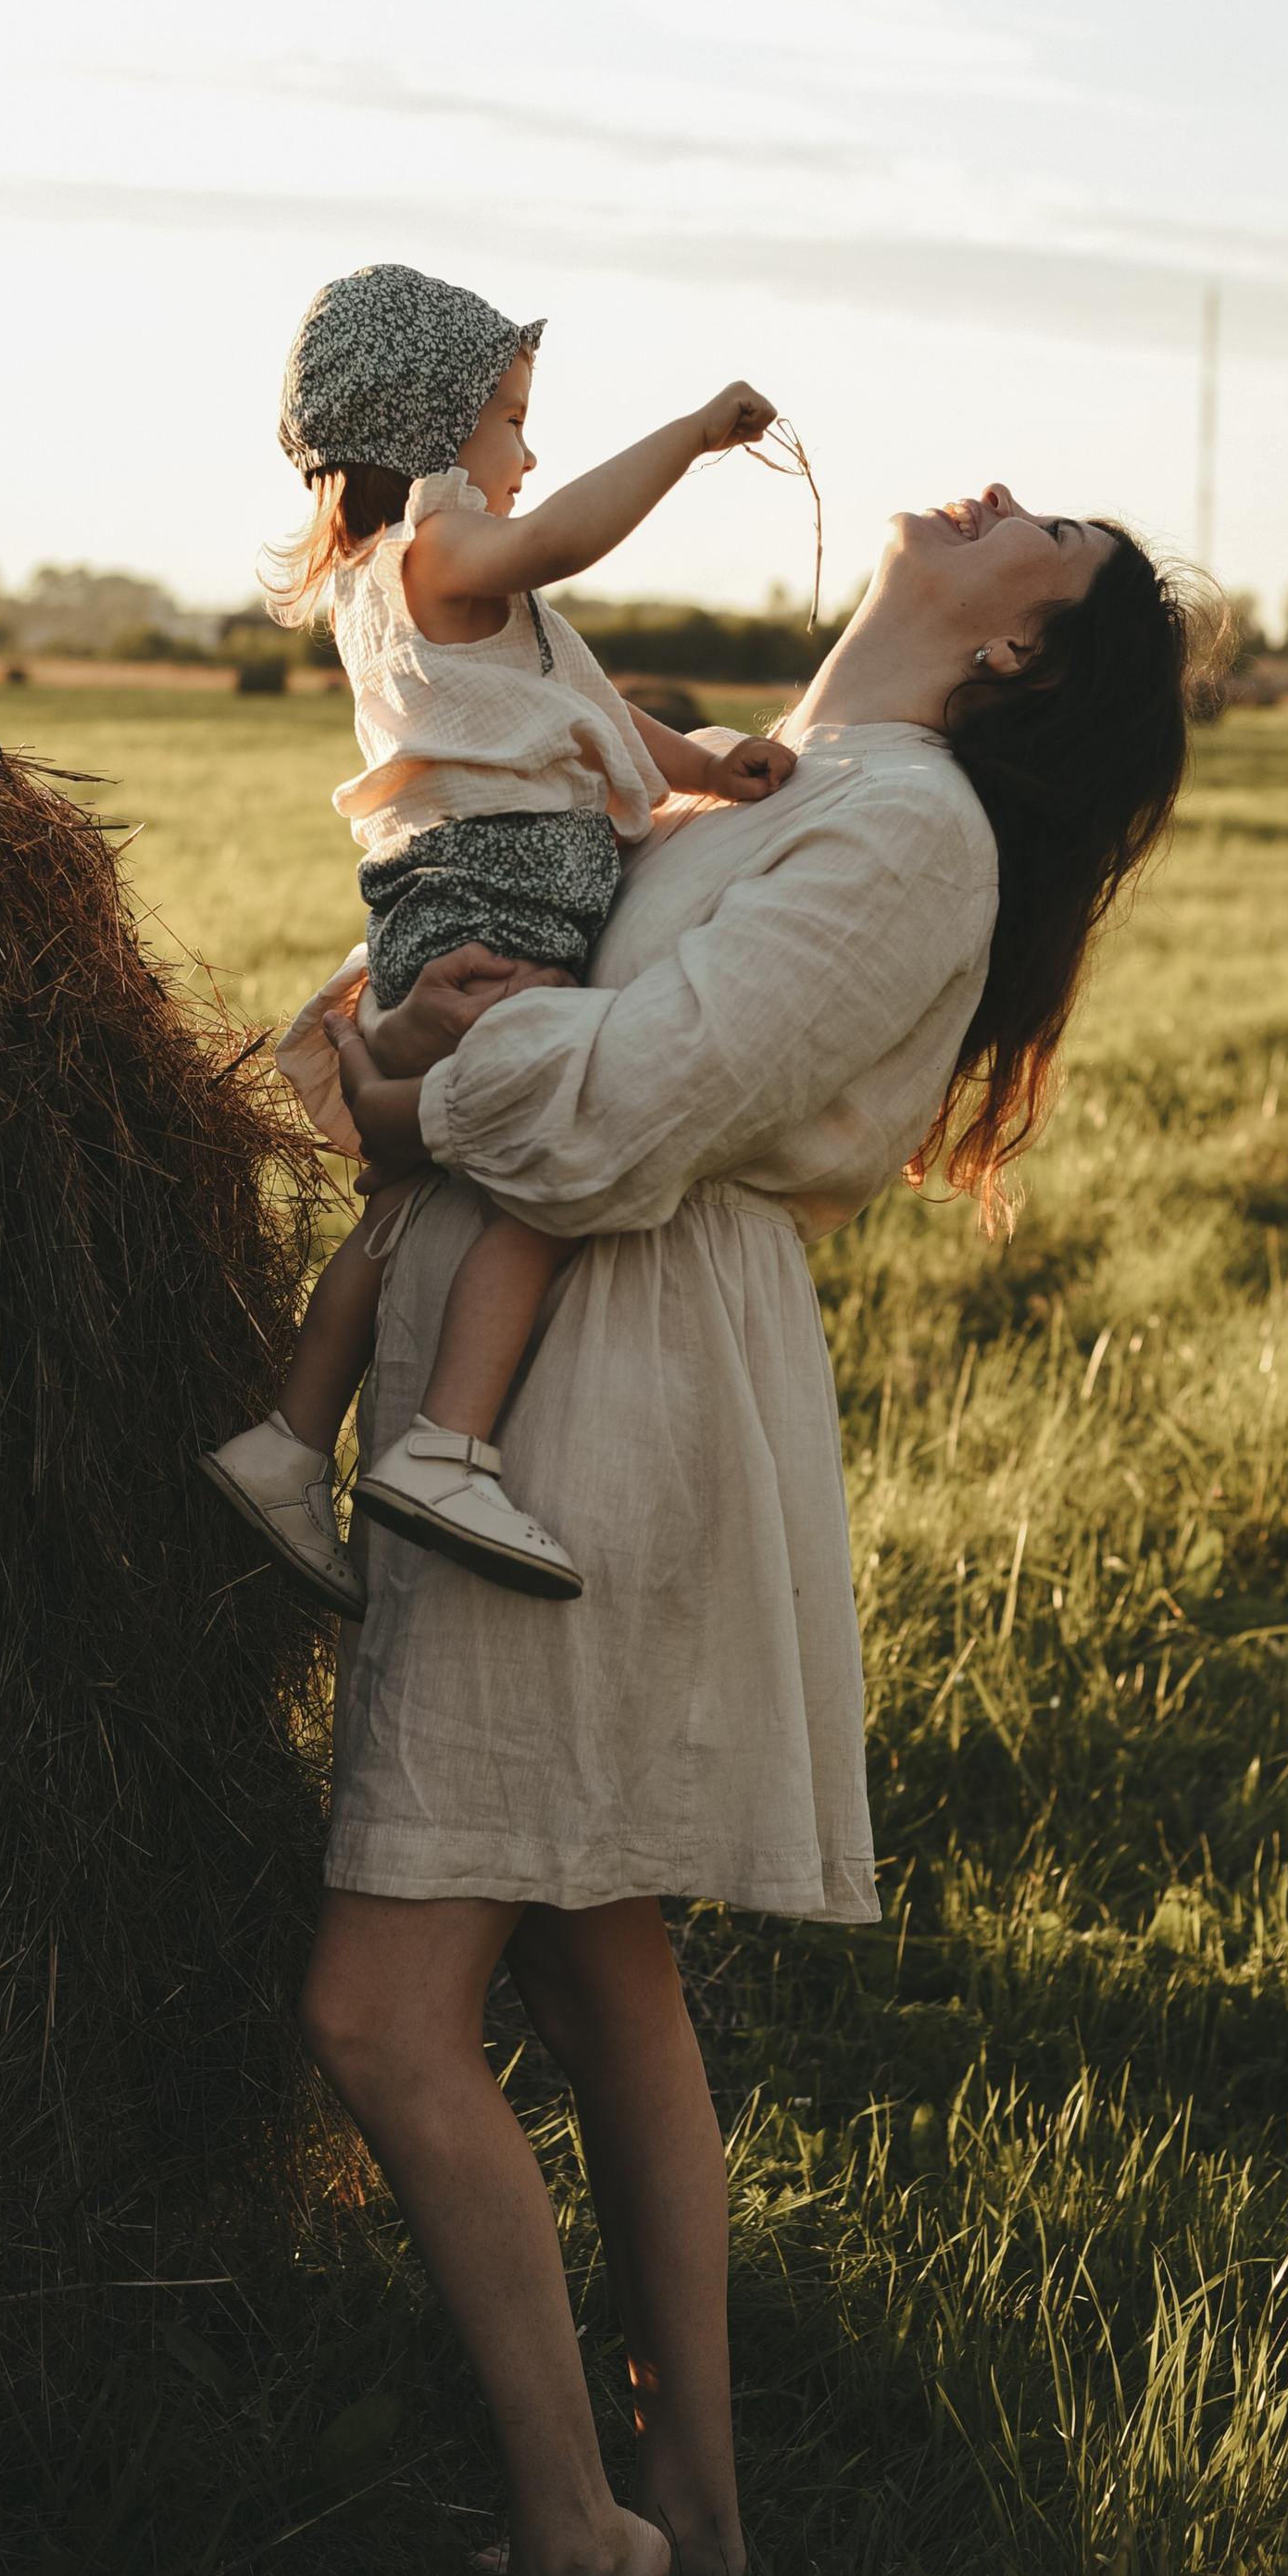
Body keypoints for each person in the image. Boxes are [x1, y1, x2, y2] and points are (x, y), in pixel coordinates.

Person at [296, 479, 1219, 2576]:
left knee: (374, 2009)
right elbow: (479, 978)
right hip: (542, 1365)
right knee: (590, 1957)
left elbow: (623, 1110)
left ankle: (576, 2543)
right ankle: (695, 2516)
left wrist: (412, 1085)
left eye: (1045, 530)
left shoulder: (907, 834)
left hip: (601, 1405)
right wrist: (396, 1022)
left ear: (1018, 650)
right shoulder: (766, 785)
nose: (994, 494)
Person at [201, 264, 795, 1614]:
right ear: (426, 429)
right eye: (511, 420)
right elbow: (564, 541)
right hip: (496, 917)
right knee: (553, 1159)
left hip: (458, 908)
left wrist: (707, 769)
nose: (530, 455)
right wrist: (692, 437)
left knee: (406, 1208)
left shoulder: (437, 596)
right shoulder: (437, 557)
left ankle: (288, 1443)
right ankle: (446, 1448)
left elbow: (581, 714)